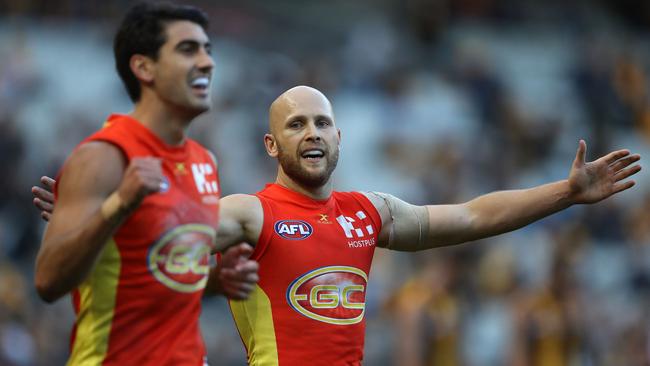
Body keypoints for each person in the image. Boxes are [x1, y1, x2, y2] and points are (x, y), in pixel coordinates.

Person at [35, 85, 642, 365]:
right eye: (297, 125)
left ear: (339, 137)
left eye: (322, 123)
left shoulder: (367, 212)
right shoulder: (253, 211)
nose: (313, 134)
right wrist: (93, 218)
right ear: (273, 144)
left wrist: (565, 193)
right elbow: (171, 233)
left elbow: (473, 215)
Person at [32, 2, 258, 365]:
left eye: (208, 50)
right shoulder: (103, 157)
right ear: (144, 67)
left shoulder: (205, 162)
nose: (206, 62)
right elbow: (47, 282)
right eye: (188, 50)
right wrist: (117, 205)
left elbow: (157, 273)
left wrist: (216, 280)